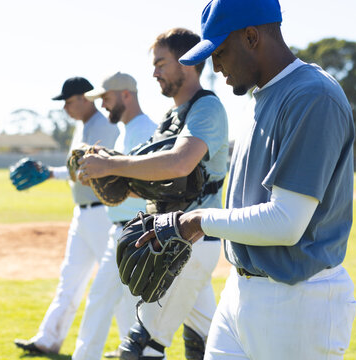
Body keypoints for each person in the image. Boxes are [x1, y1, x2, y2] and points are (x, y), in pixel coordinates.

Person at [139, 0, 356, 359]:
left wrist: (194, 221)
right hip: (241, 290)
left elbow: (285, 223)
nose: (214, 65)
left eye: (220, 52)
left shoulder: (312, 96)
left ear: (252, 37)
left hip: (298, 301)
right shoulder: (260, 97)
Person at [79, 28, 230, 360]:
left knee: (143, 345)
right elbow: (160, 179)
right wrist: (109, 171)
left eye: (161, 63)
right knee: (211, 341)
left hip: (188, 241)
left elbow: (179, 164)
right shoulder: (173, 116)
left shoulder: (206, 109)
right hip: (174, 238)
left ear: (188, 62)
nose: (154, 72)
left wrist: (115, 167)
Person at [13, 76, 120, 355]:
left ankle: (129, 345)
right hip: (82, 215)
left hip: (103, 214)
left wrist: (54, 173)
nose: (65, 108)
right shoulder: (82, 127)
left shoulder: (105, 126)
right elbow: (75, 171)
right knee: (70, 278)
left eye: (69, 102)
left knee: (113, 281)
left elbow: (93, 170)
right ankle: (48, 339)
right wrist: (49, 172)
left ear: (86, 98)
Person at [71, 72, 158, 360]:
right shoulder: (124, 130)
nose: (103, 105)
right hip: (120, 229)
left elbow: (154, 184)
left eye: (106, 99)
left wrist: (108, 173)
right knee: (116, 303)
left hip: (138, 230)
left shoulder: (147, 129)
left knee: (129, 306)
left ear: (126, 95)